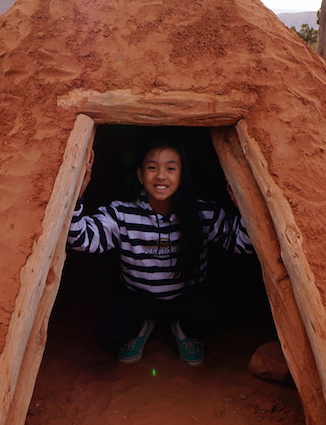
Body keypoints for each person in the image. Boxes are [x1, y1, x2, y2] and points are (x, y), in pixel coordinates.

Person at [67, 138, 253, 367]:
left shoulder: (202, 211)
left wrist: (245, 205)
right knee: (108, 338)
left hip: (187, 297)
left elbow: (242, 243)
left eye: (171, 168)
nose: (161, 176)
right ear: (140, 175)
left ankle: (180, 326)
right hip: (138, 298)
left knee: (212, 319)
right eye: (152, 167)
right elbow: (80, 239)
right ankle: (145, 324)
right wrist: (76, 197)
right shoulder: (122, 212)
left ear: (182, 175)